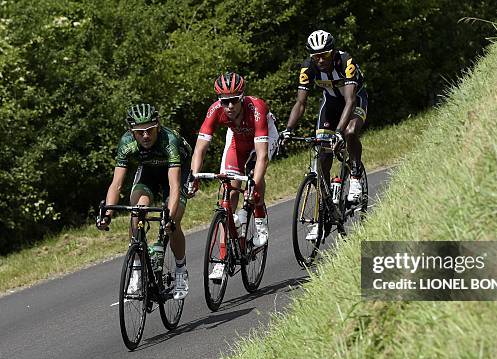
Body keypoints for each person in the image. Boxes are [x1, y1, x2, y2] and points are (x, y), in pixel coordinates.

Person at [97, 103, 192, 300]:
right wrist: (107, 214)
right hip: (148, 172)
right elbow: (116, 184)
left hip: (175, 172)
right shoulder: (126, 143)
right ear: (131, 131)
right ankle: (138, 269)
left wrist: (169, 217)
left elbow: (174, 186)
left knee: (172, 221)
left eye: (149, 130)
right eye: (140, 132)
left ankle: (181, 269)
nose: (146, 136)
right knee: (137, 211)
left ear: (157, 125)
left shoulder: (169, 140)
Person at [189, 72, 279, 280]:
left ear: (242, 98)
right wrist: (194, 176)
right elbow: (200, 149)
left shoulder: (256, 108)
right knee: (227, 195)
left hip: (263, 137)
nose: (229, 106)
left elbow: (263, 156)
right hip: (238, 139)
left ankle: (259, 218)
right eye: (225, 102)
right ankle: (221, 259)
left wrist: (254, 185)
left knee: (255, 172)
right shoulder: (215, 111)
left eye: (234, 101)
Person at [280, 30, 368, 240]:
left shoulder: (346, 62)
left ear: (333, 51)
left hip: (354, 102)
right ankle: (324, 214)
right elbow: (301, 103)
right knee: (323, 154)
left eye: (325, 55)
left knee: (349, 132)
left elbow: (350, 101)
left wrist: (338, 132)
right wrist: (288, 130)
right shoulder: (307, 67)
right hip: (329, 105)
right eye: (315, 55)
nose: (320, 60)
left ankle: (355, 174)